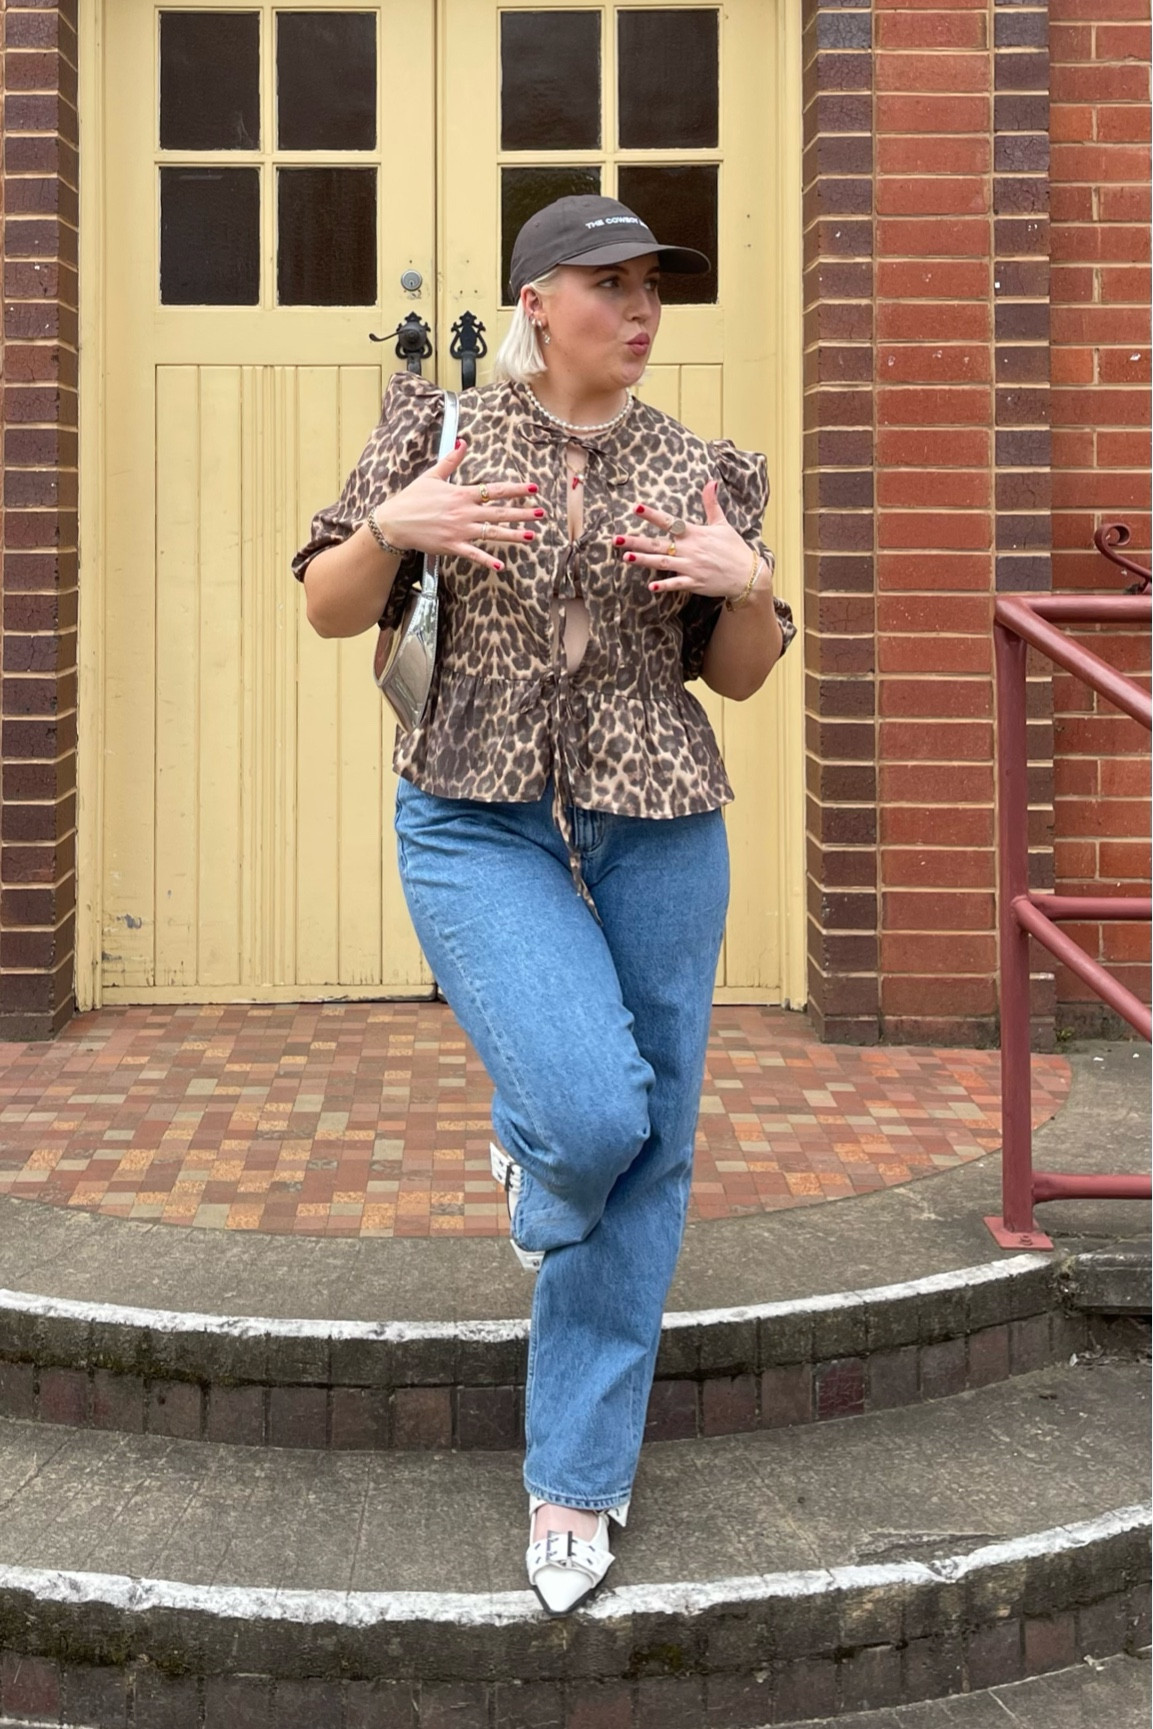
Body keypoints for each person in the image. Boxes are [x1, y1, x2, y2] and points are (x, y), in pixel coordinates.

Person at [293, 195, 795, 1616]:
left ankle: (576, 1472)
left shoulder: (699, 469)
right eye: (607, 284)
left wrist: (744, 582)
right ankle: (538, 1150)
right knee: (588, 1114)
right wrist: (395, 524)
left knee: (653, 1146)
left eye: (653, 288)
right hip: (472, 808)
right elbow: (332, 610)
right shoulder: (440, 429)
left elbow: (742, 673)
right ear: (533, 303)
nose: (638, 310)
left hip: (658, 812)